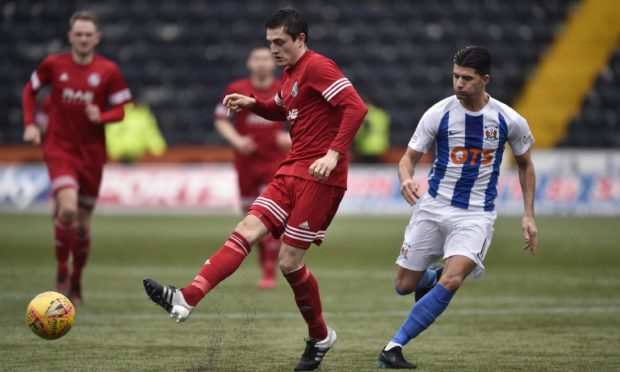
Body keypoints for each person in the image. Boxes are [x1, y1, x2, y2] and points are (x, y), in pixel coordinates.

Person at [143, 8, 367, 371]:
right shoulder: (290, 74)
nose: (274, 49)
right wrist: (254, 104)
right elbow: (282, 108)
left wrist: (332, 153)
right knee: (246, 229)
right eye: (269, 43)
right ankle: (186, 297)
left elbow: (355, 108)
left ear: (300, 40)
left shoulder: (318, 66)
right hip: (292, 169)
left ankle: (320, 335)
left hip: (320, 176)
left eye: (280, 42)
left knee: (289, 263)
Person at [377, 46, 538, 369]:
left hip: (476, 215)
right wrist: (406, 179)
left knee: (453, 280)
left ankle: (393, 347)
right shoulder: (439, 113)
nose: (459, 84)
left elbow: (525, 165)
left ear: (485, 80)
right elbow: (408, 159)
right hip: (433, 208)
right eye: (455, 77)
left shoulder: (509, 120)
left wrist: (528, 214)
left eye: (467, 78)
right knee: (403, 285)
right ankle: (430, 277)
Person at [22, 10, 131, 305]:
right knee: (68, 209)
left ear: (97, 38)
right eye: (78, 34)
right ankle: (61, 274)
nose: (83, 39)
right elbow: (30, 90)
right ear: (70, 36)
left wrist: (103, 115)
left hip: (92, 153)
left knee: (82, 224)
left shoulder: (108, 70)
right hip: (59, 147)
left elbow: (122, 110)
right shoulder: (53, 64)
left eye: (88, 35)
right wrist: (31, 123)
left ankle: (77, 279)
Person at [213, 46, 290, 289]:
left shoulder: (284, 88)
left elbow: (304, 120)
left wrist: (289, 139)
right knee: (249, 217)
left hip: (275, 162)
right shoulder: (237, 89)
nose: (261, 63)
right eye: (256, 58)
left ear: (273, 63)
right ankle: (264, 267)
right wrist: (236, 140)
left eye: (265, 58)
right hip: (246, 162)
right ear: (249, 63)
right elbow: (220, 119)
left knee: (266, 217)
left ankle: (269, 271)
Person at [354, 97, 390, 163]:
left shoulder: (363, 113)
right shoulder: (381, 114)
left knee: (364, 171)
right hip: (381, 147)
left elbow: (361, 131)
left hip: (365, 148)